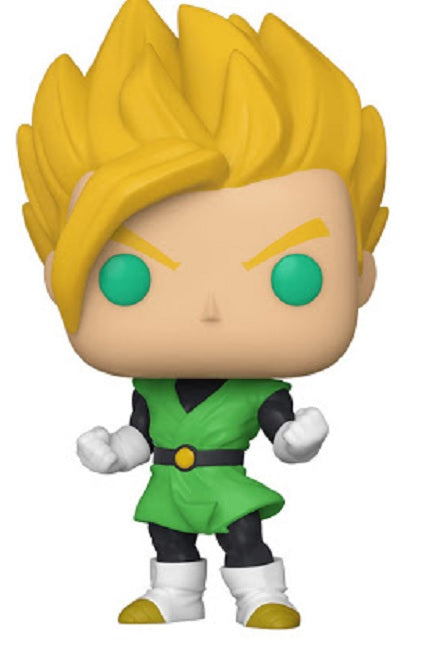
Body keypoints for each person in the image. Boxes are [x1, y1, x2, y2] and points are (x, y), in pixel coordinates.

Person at [17, 0, 388, 628]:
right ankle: (174, 595)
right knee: (168, 540)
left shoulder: (260, 392)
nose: (211, 309)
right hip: (169, 486)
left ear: (361, 275)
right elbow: (140, 433)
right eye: (129, 278)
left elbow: (278, 431)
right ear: (56, 274)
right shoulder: (151, 388)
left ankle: (261, 594)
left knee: (244, 536)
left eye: (291, 277)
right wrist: (114, 452)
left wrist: (296, 440)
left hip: (225, 484)